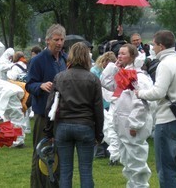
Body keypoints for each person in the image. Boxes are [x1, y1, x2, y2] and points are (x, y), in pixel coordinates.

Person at [45, 42, 104, 188]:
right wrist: (99, 134)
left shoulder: (59, 77)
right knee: (86, 172)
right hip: (85, 125)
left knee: (65, 171)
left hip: (63, 126)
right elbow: (98, 110)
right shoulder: (93, 79)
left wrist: (49, 131)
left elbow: (51, 106)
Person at [135, 30, 176, 188]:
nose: (153, 48)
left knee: (166, 168)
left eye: (154, 44)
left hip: (167, 119)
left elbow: (158, 92)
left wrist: (140, 93)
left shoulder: (165, 64)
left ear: (161, 45)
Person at [101, 44, 153, 188]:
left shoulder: (138, 77)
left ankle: (140, 186)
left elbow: (142, 103)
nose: (119, 56)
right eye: (119, 53)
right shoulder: (124, 74)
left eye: (123, 54)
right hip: (122, 124)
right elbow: (106, 83)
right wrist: (113, 67)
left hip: (132, 126)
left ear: (132, 56)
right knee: (128, 161)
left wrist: (134, 124)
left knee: (137, 160)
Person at [25, 23, 67, 188]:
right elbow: (29, 84)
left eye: (62, 39)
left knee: (58, 152)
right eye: (56, 39)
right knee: (42, 151)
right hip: (43, 113)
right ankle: (38, 185)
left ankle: (55, 183)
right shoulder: (38, 60)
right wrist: (40, 86)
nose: (59, 43)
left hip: (61, 114)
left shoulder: (64, 59)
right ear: (48, 40)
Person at [90, 51, 117, 160]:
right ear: (104, 61)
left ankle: (108, 150)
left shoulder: (113, 70)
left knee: (109, 127)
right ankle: (99, 150)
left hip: (109, 102)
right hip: (99, 102)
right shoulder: (95, 71)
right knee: (99, 127)